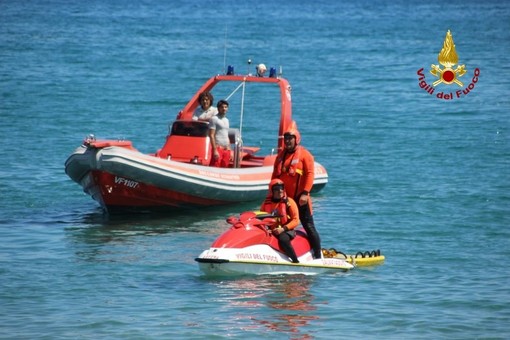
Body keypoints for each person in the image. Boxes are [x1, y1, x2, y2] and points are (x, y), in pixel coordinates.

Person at [271, 122, 322, 259]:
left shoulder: (305, 155)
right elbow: (274, 177)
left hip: (301, 198)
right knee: (278, 224)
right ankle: (283, 253)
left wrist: (305, 193)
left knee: (309, 227)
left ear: (296, 139)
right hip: (285, 200)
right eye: (285, 139)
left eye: (290, 138)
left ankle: (318, 256)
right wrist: (271, 194)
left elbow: (310, 174)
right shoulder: (280, 156)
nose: (287, 141)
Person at [260, 179, 300, 263]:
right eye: (277, 189)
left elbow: (296, 220)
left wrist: (283, 229)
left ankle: (295, 261)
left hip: (287, 230)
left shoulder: (290, 202)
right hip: (271, 230)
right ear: (271, 191)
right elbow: (261, 219)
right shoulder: (265, 204)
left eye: (281, 188)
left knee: (283, 239)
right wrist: (266, 229)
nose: (280, 191)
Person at [209, 99, 231, 167]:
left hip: (226, 149)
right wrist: (215, 150)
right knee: (215, 166)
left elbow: (226, 134)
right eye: (222, 107)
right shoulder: (214, 119)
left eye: (225, 107)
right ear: (218, 108)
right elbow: (211, 135)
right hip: (218, 148)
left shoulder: (227, 120)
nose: (224, 109)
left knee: (225, 167)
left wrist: (230, 148)